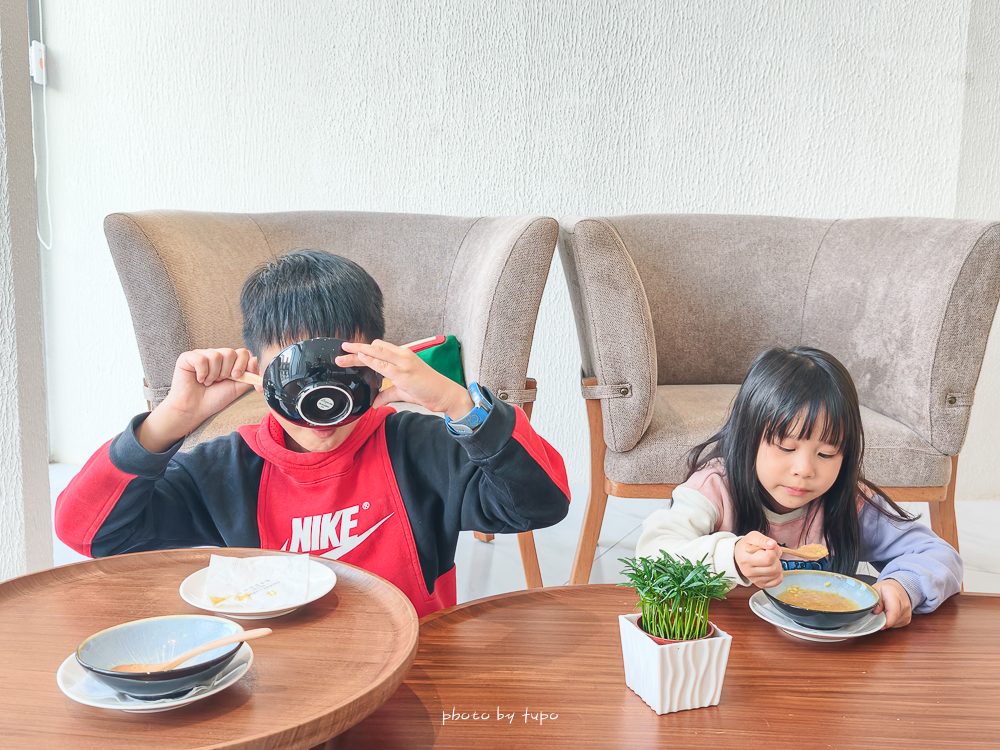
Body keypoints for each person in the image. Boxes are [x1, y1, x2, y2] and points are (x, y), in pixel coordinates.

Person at [55, 250, 570, 616]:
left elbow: (541, 504)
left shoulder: (421, 449)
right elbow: (90, 533)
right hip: (274, 678)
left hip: (413, 665)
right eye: (294, 370)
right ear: (258, 369)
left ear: (374, 360)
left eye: (337, 363)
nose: (319, 398)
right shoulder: (223, 473)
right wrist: (171, 420)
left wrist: (461, 406)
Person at [635, 346, 962, 628]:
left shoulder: (850, 502)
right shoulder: (715, 488)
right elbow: (650, 557)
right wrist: (730, 556)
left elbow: (941, 556)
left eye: (826, 453)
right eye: (786, 447)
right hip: (725, 652)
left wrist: (904, 586)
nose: (804, 470)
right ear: (748, 438)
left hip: (823, 659)